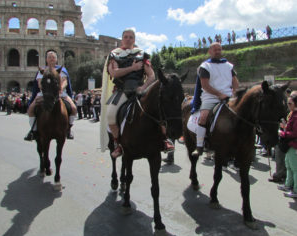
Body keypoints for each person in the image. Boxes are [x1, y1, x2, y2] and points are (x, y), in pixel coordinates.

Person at [102, 29, 174, 158]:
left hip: (140, 90)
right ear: (122, 39)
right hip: (121, 91)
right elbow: (114, 73)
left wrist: (144, 87)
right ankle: (119, 144)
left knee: (159, 111)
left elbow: (151, 75)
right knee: (111, 116)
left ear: (134, 40)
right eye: (126, 37)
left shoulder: (142, 55)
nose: (128, 39)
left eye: (131, 37)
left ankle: (164, 140)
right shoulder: (114, 55)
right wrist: (132, 68)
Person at [191, 42, 239, 156]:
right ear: (210, 51)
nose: (218, 51)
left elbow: (235, 82)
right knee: (203, 117)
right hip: (210, 97)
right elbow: (205, 86)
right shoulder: (205, 66)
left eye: (219, 49)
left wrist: (233, 92)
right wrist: (219, 94)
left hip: (228, 97)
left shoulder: (228, 65)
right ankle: (200, 145)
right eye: (215, 49)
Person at [24, 51, 77, 141]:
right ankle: (33, 131)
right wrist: (46, 89)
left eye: (53, 57)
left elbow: (65, 81)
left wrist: (60, 88)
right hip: (44, 93)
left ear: (56, 59)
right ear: (46, 59)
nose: (52, 59)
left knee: (74, 108)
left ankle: (68, 129)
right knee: (31, 109)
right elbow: (40, 83)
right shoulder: (42, 70)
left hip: (60, 93)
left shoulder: (61, 70)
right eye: (50, 57)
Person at [277, 94, 297, 198]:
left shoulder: (296, 116)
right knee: (288, 165)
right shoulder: (293, 114)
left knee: (295, 168)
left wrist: (282, 133)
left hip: (294, 145)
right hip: (290, 144)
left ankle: (295, 189)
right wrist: (284, 127)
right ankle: (288, 184)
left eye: (290, 103)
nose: (288, 105)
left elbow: (294, 133)